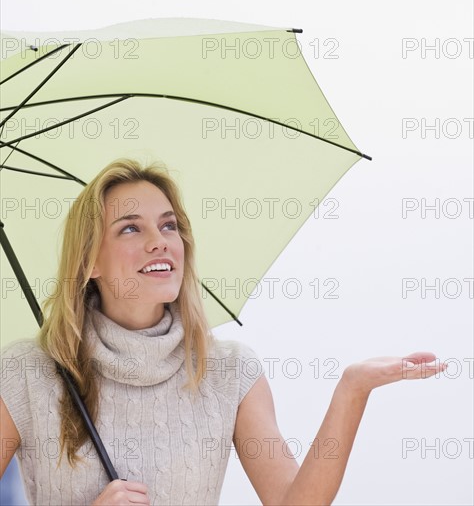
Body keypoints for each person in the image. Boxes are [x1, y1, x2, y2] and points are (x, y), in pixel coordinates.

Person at [1, 158, 447, 505]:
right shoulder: (26, 373)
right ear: (89, 263)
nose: (160, 240)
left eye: (169, 225)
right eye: (131, 227)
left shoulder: (229, 370)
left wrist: (352, 390)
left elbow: (293, 502)